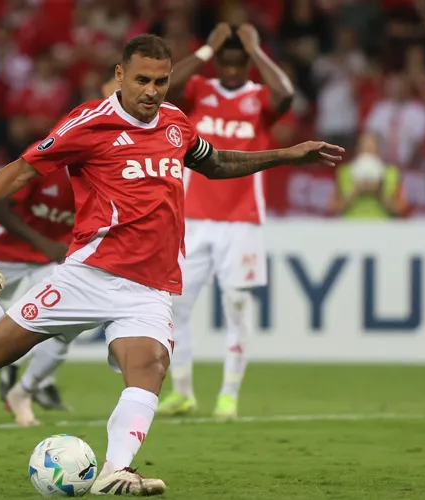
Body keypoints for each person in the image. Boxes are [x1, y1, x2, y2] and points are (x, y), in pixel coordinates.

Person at [0, 34, 341, 495]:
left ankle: (116, 469)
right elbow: (22, 168)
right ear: (120, 76)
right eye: (142, 80)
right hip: (90, 275)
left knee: (150, 364)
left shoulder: (175, 123)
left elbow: (216, 163)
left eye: (161, 81)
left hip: (150, 288)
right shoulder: (88, 123)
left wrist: (286, 155)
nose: (152, 91)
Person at [157, 22, 295, 420]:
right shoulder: (200, 90)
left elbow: (286, 94)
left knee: (236, 305)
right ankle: (183, 392)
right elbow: (163, 87)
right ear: (217, 62)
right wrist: (204, 51)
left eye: (240, 64)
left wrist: (256, 48)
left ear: (247, 65)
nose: (232, 71)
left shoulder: (259, 98)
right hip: (193, 218)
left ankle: (229, 394)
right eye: (226, 62)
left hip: (242, 220)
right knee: (177, 306)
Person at [0, 69, 122, 424]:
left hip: (59, 259)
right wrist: (44, 242)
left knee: (66, 330)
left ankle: (25, 388)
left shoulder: (106, 172)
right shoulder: (47, 164)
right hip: (7, 254)